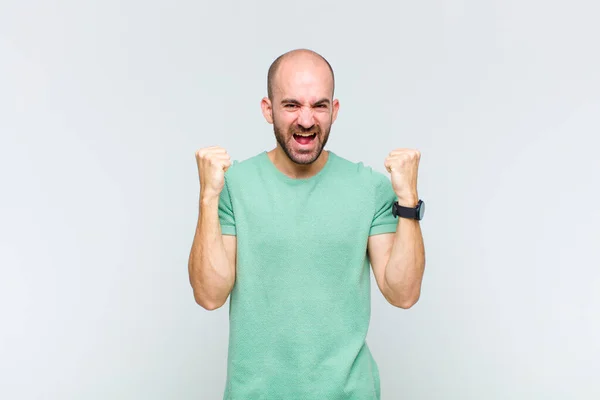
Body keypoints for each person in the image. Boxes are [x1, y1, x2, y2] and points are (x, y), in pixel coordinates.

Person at [188, 48, 426, 400]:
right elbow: (209, 295)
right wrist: (208, 197)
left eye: (319, 105)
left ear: (335, 110)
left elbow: (403, 293)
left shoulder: (369, 187)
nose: (306, 119)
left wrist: (407, 200)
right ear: (268, 110)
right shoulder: (233, 186)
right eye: (291, 105)